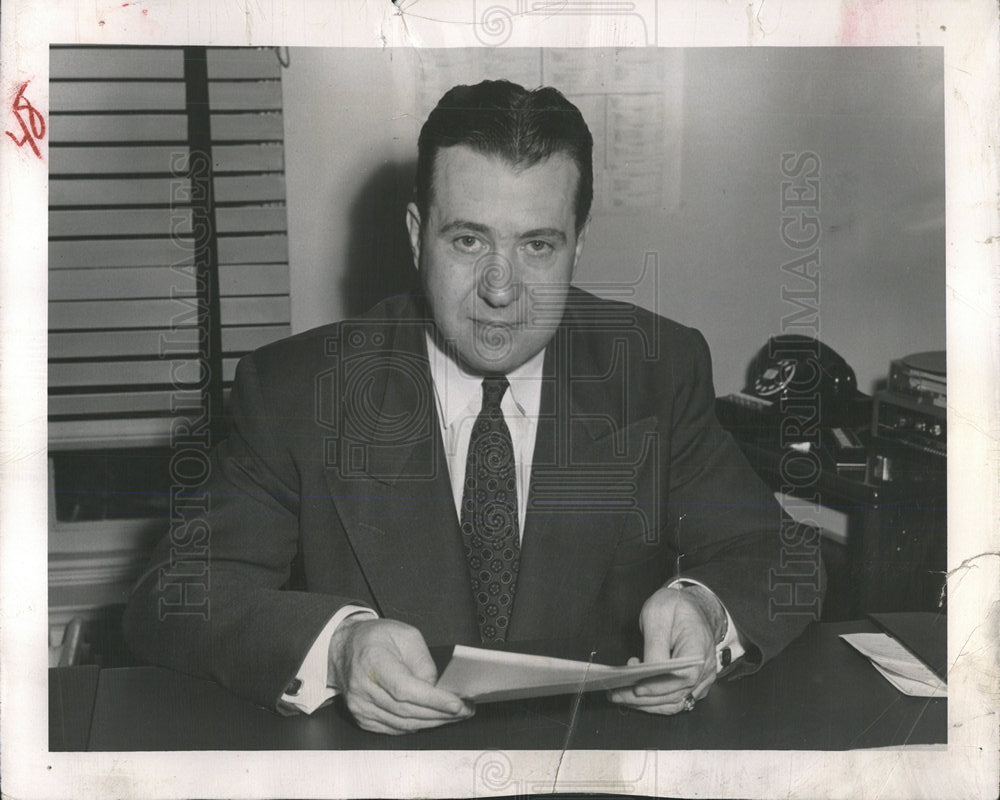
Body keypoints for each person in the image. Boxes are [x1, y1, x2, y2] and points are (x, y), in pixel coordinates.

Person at [123, 79, 825, 735]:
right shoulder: (298, 389)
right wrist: (337, 647)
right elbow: (177, 593)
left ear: (578, 248)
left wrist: (706, 606)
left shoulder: (653, 370)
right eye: (468, 240)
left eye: (537, 246)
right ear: (413, 235)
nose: (500, 288)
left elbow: (780, 555)